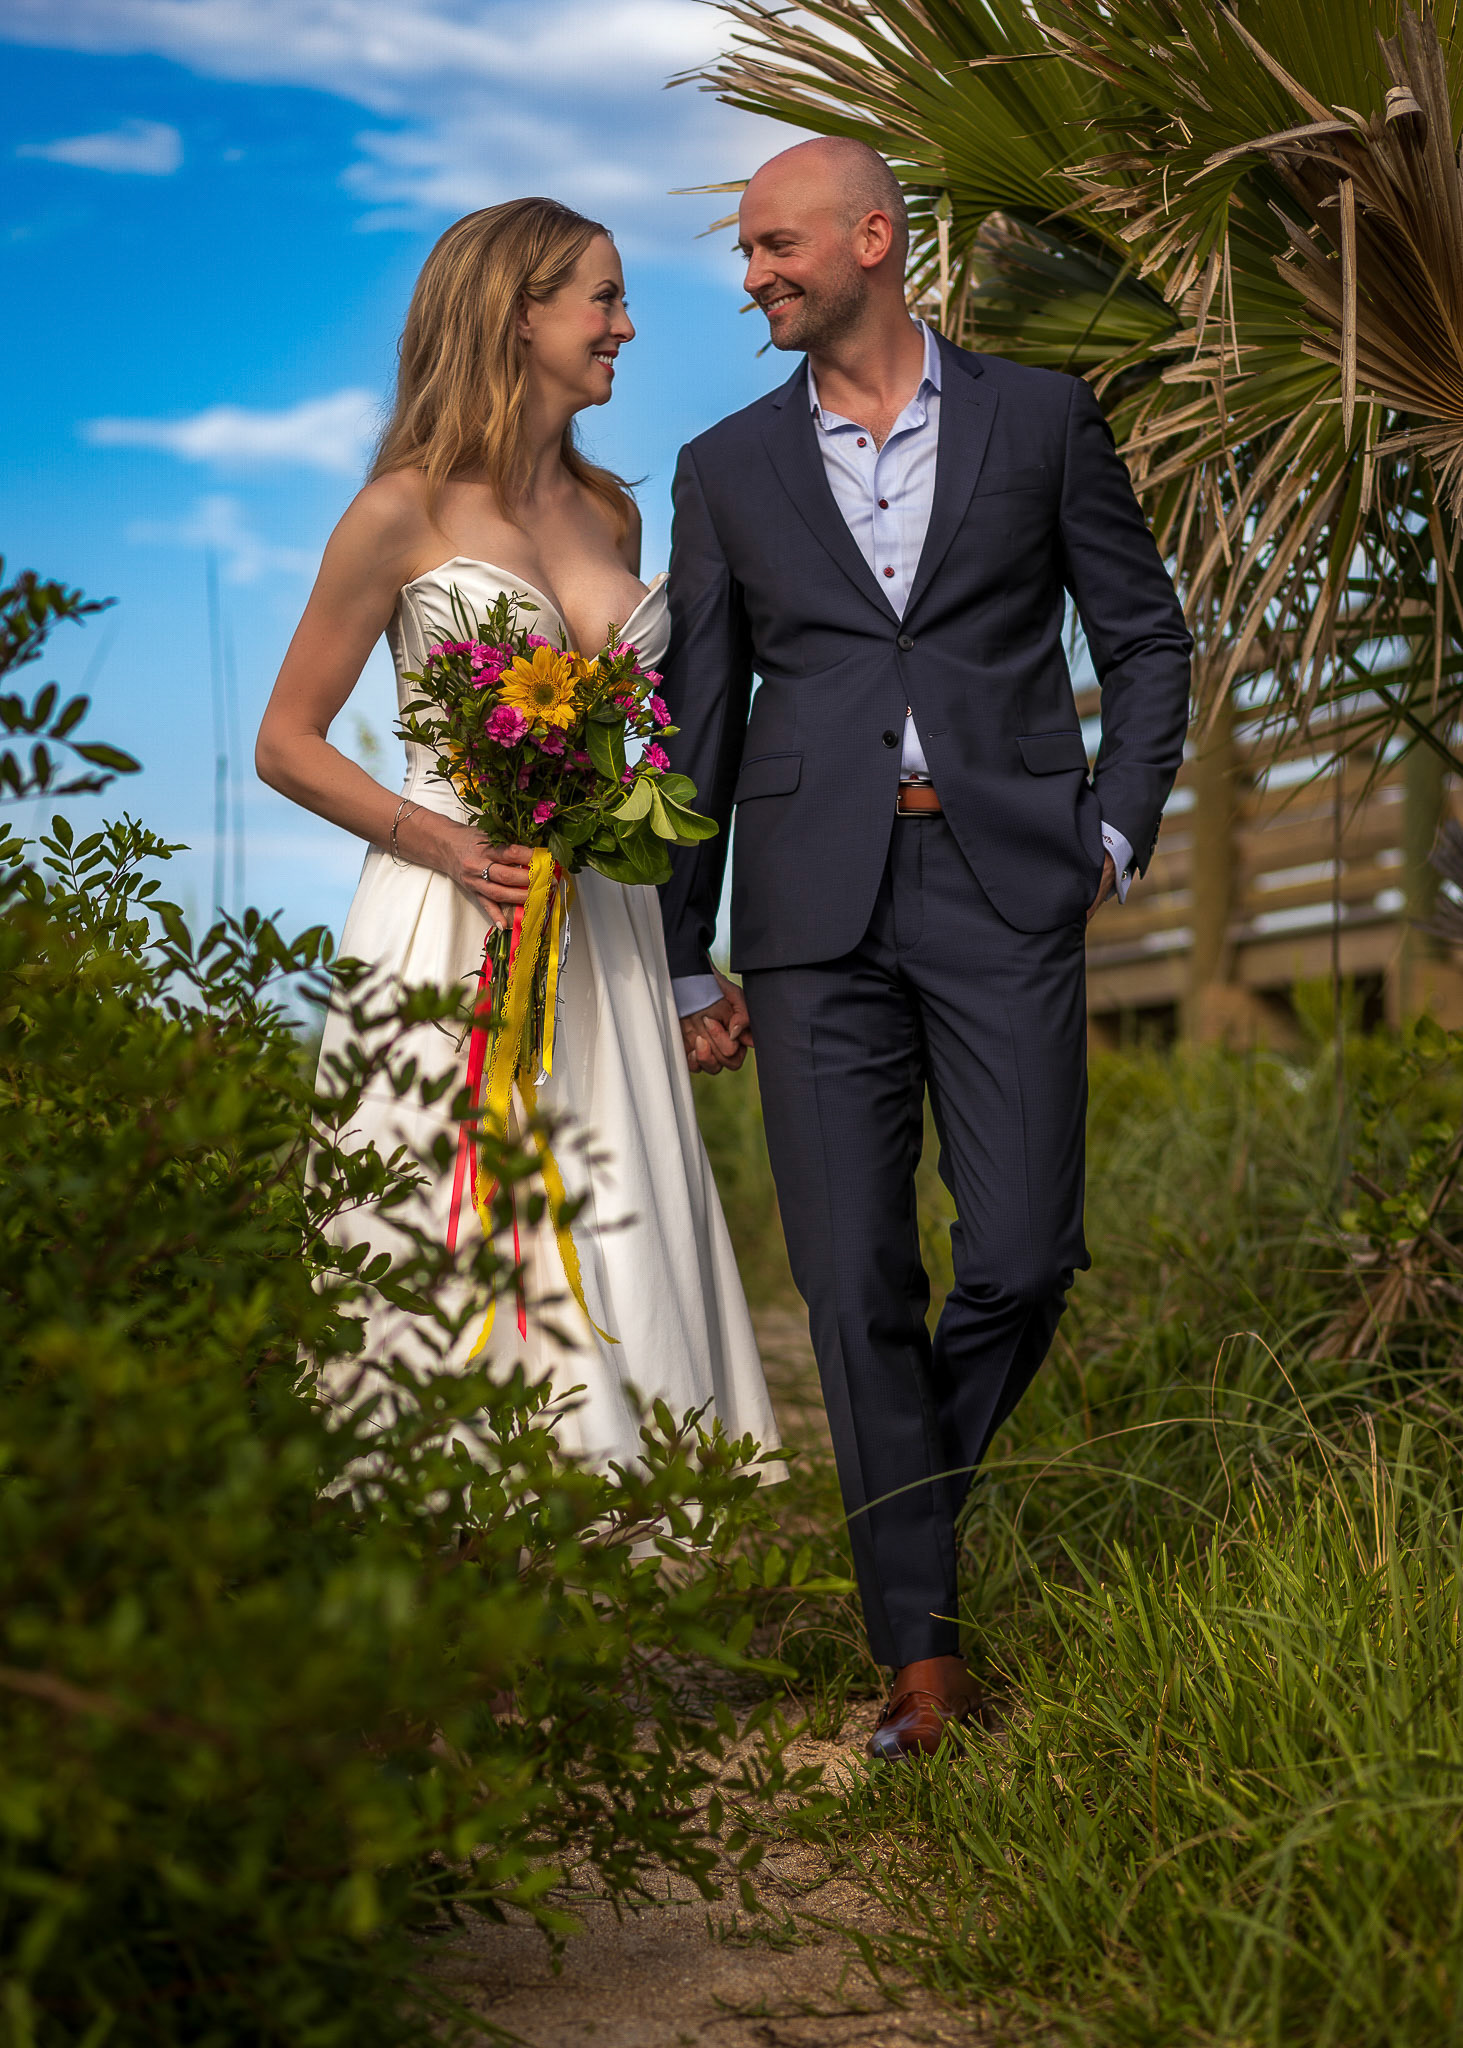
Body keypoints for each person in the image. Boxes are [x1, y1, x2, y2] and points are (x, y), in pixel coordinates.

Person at [660, 139, 1190, 1758]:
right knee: (850, 1281)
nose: (751, 274)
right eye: (747, 252)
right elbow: (696, 720)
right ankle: (922, 1661)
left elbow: (1143, 636)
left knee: (1023, 1253)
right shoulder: (723, 467)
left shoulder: (1039, 419)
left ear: (870, 240)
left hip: (1003, 878)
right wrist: (685, 951)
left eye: (773, 245)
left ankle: (899, 1515)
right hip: (807, 908)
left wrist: (1110, 828)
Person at [256, 197, 781, 1477]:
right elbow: (286, 740)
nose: (625, 326)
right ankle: (430, 1518)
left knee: (609, 1203)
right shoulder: (398, 511)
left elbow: (641, 756)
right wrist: (443, 844)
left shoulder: (611, 513)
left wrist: (682, 964)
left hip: (600, 920)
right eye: (603, 298)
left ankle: (614, 1510)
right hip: (450, 912)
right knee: (448, 1210)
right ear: (516, 313)